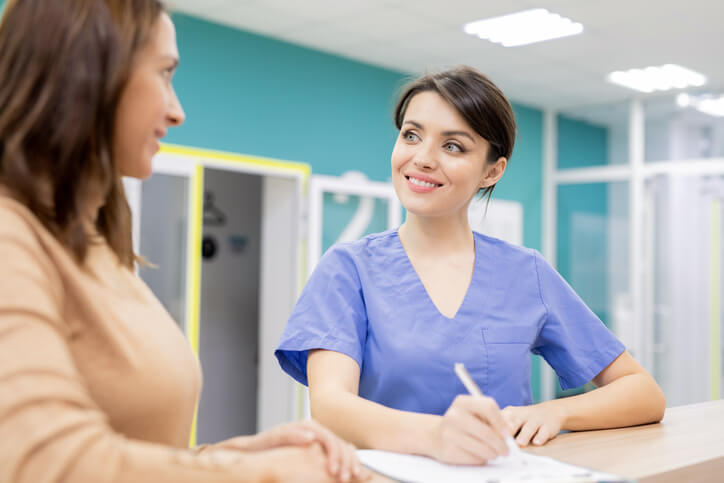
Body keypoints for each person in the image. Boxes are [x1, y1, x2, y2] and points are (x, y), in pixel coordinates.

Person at [0, 1, 374, 482]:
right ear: (88, 75)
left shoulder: (96, 242)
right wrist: (266, 476)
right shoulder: (12, 236)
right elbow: (45, 462)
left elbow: (132, 449)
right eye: (164, 73)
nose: (176, 112)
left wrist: (241, 455)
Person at [275, 66, 666, 465]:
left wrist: (555, 411)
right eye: (411, 135)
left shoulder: (524, 273)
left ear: (492, 170)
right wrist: (435, 436)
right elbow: (331, 405)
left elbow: (642, 392)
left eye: (453, 146)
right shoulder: (348, 269)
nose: (422, 158)